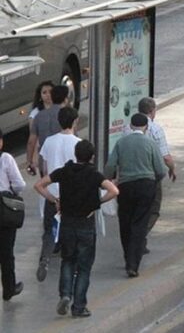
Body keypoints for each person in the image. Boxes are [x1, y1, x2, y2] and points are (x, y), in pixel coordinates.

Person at [34, 140, 119, 318]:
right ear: (92, 157)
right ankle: (79, 306)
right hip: (86, 225)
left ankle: (65, 295)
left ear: (76, 154)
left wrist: (54, 200)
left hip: (67, 224)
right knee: (84, 267)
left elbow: (39, 185)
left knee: (68, 261)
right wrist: (97, 203)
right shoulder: (94, 175)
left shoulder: (64, 171)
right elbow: (114, 191)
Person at [105, 113, 166, 278]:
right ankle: (133, 264)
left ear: (131, 126)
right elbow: (161, 170)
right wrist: (153, 181)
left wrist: (109, 179)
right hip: (146, 186)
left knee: (125, 222)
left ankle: (127, 257)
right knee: (140, 224)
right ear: (146, 127)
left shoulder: (121, 142)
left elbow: (110, 165)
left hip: (126, 186)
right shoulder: (150, 143)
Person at [36, 106, 82, 282]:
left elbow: (45, 168)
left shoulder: (49, 141)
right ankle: (71, 266)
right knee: (71, 231)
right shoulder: (78, 143)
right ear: (75, 121)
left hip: (52, 194)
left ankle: (45, 258)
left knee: (49, 230)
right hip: (71, 196)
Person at [135, 97, 176, 254]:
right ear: (152, 111)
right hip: (150, 177)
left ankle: (139, 239)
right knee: (153, 209)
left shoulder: (127, 128)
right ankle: (139, 236)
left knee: (136, 209)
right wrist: (172, 169)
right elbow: (165, 157)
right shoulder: (156, 129)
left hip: (130, 176)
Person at [0, 128, 25, 301]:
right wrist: (11, 192)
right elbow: (19, 184)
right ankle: (9, 288)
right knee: (6, 251)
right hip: (3, 207)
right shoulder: (5, 159)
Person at [26, 84, 69, 177]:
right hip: (63, 157)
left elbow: (31, 141)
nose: (48, 95)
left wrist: (29, 161)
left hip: (45, 158)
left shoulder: (38, 116)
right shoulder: (67, 114)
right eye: (44, 92)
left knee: (46, 182)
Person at [26, 80, 55, 176]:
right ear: (40, 96)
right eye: (44, 92)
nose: (48, 95)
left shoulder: (61, 109)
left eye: (50, 92)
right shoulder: (35, 114)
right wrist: (32, 160)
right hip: (44, 154)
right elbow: (33, 139)